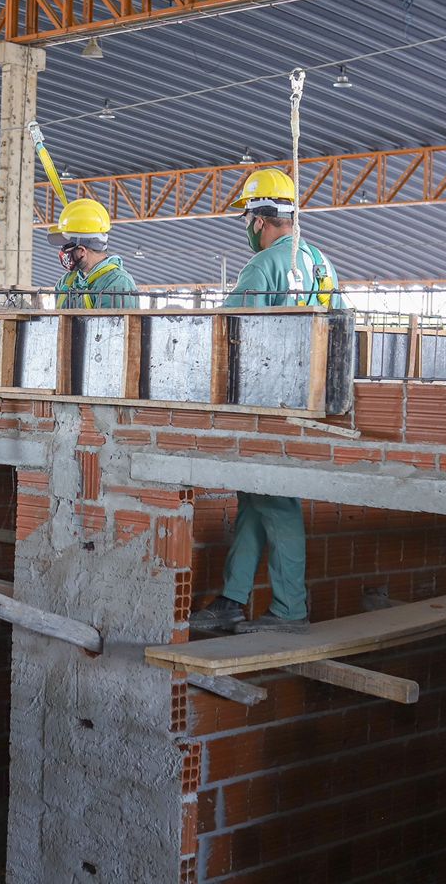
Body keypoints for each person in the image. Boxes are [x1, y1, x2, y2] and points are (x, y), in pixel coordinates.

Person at [189, 168, 345, 635]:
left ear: (258, 219)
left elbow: (225, 331)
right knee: (254, 499)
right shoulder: (321, 263)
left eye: (247, 219)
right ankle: (233, 600)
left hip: (267, 399)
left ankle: (290, 610)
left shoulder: (262, 266)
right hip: (307, 394)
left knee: (276, 501)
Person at [47, 198, 139, 309]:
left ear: (82, 251)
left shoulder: (118, 284)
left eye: (66, 246)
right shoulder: (66, 282)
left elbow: (114, 326)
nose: (62, 251)